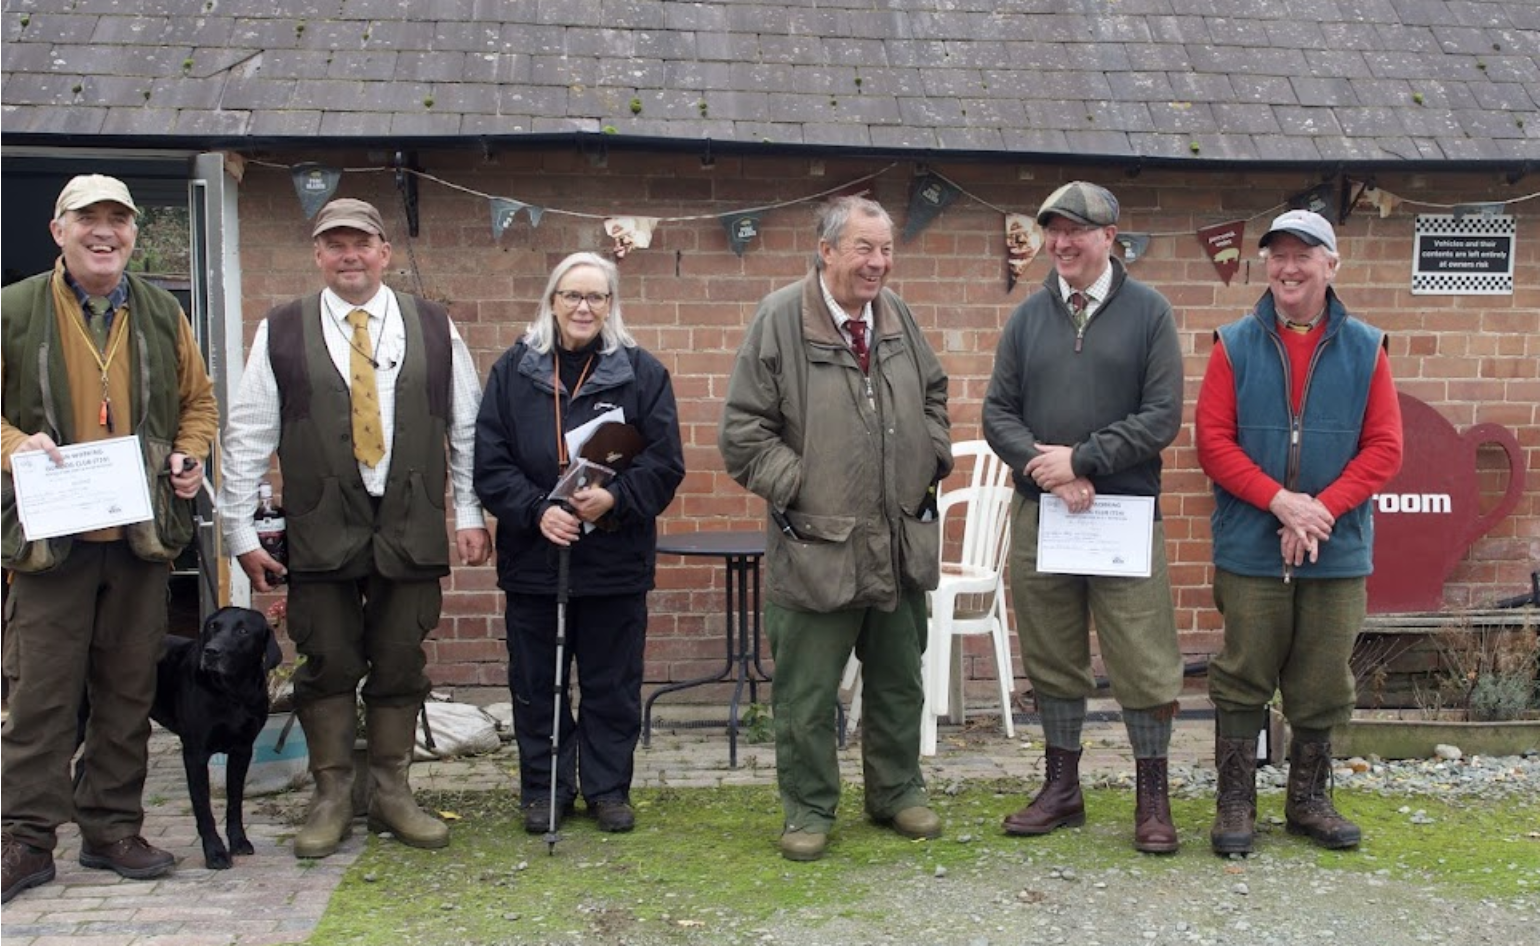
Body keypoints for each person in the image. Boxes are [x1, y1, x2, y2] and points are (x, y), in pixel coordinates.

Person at [220, 198, 491, 859]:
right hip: (321, 527)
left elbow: (466, 426)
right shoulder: (280, 330)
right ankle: (333, 793)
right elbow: (251, 432)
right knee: (329, 660)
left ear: (384, 252)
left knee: (400, 659)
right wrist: (240, 534)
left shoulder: (434, 326)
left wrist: (469, 512)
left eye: (361, 244)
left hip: (411, 522)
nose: (349, 255)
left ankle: (393, 791)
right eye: (334, 244)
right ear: (317, 255)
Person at [2, 174, 218, 902]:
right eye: (87, 220)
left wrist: (189, 458)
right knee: (41, 695)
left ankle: (111, 829)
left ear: (133, 232)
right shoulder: (12, 308)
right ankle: (26, 840)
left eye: (118, 221)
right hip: (49, 540)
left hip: (139, 537)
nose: (105, 233)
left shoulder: (161, 310)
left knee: (128, 689)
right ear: (57, 230)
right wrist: (13, 446)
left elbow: (198, 402)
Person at [719, 195, 952, 862]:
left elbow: (934, 390)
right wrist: (800, 485)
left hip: (899, 539)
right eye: (863, 249)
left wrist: (930, 452)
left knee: (899, 679)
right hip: (817, 547)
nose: (877, 263)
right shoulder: (780, 319)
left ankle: (898, 792)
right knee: (807, 693)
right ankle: (810, 809)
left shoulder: (898, 316)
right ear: (826, 251)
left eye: (885, 250)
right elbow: (741, 435)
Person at [983, 181, 1185, 853]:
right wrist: (1047, 469)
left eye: (1077, 230)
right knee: (1051, 653)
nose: (1063, 243)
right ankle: (1062, 789)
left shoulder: (1150, 313)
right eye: (1054, 231)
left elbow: (1161, 417)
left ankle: (1151, 799)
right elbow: (997, 413)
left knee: (1143, 658)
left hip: (1122, 516)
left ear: (1109, 236)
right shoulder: (1029, 316)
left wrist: (1085, 461)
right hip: (1045, 514)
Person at [1196, 209, 1402, 855]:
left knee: (1321, 680)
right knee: (1242, 674)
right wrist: (1282, 503)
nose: (1288, 268)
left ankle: (1309, 801)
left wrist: (1321, 511)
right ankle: (1236, 802)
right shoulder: (1234, 343)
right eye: (1278, 256)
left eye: (1303, 256)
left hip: (1336, 548)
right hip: (1251, 544)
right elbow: (1213, 442)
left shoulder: (1367, 347)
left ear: (1330, 265)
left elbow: (1385, 447)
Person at [474, 252, 684, 835]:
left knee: (612, 684)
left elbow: (665, 464)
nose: (584, 307)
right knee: (538, 685)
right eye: (572, 296)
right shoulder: (513, 371)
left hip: (614, 560)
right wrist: (537, 510)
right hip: (536, 559)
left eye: (596, 297)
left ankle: (608, 790)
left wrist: (615, 500)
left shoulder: (644, 374)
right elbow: (489, 465)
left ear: (612, 305)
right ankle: (545, 792)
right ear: (552, 301)